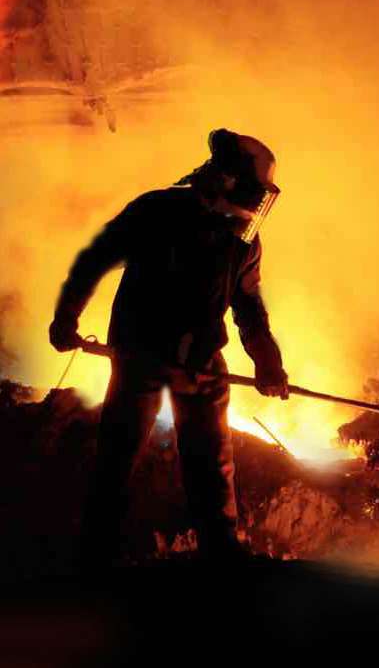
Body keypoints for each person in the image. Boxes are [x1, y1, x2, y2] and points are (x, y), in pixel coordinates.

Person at [49, 129, 289, 565]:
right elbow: (95, 260)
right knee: (117, 458)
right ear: (227, 178)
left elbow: (249, 307)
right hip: (140, 356)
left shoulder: (243, 241)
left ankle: (221, 554)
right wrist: (66, 318)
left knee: (212, 469)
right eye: (251, 189)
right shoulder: (156, 212)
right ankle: (97, 556)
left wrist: (268, 363)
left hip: (201, 364)